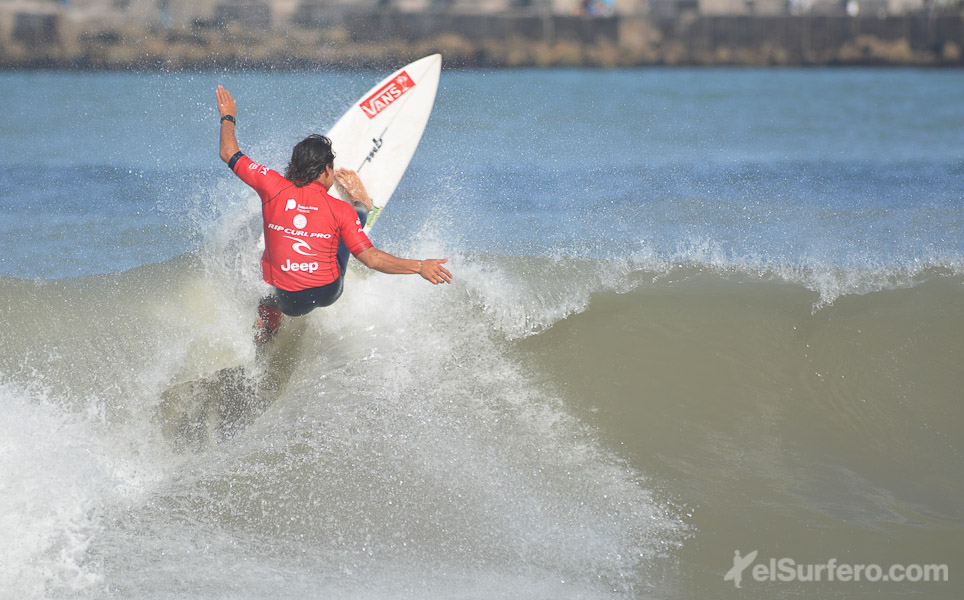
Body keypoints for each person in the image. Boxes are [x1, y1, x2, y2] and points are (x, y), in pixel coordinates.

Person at [215, 85, 452, 343]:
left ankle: (266, 337)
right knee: (351, 221)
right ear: (328, 170)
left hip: (290, 300)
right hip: (328, 292)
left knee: (267, 301)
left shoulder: (270, 185)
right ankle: (364, 204)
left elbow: (229, 152)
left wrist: (228, 116)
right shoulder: (340, 209)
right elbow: (372, 259)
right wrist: (420, 267)